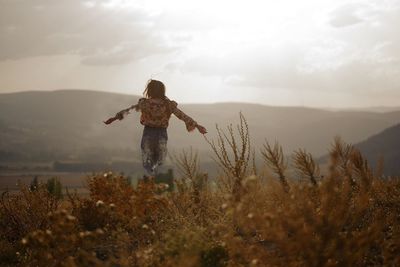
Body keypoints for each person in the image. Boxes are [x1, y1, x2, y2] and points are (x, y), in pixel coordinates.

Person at [107, 79, 207, 177]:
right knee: (159, 161)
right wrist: (197, 126)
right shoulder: (168, 105)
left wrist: (115, 118)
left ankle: (151, 179)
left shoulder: (145, 103)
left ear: (149, 90)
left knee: (147, 162)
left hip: (148, 133)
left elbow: (130, 110)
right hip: (161, 134)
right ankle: (156, 178)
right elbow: (182, 115)